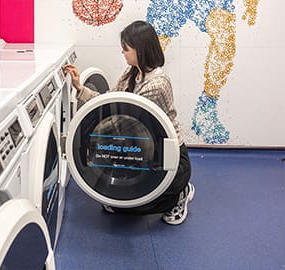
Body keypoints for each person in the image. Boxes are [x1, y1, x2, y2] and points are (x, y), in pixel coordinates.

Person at [63, 20, 194, 225]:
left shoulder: (157, 84)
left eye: (126, 48)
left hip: (168, 158)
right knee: (115, 204)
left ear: (140, 49)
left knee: (133, 205)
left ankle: (179, 194)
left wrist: (82, 135)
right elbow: (109, 100)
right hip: (140, 148)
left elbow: (122, 122)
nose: (122, 52)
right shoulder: (132, 72)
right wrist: (79, 87)